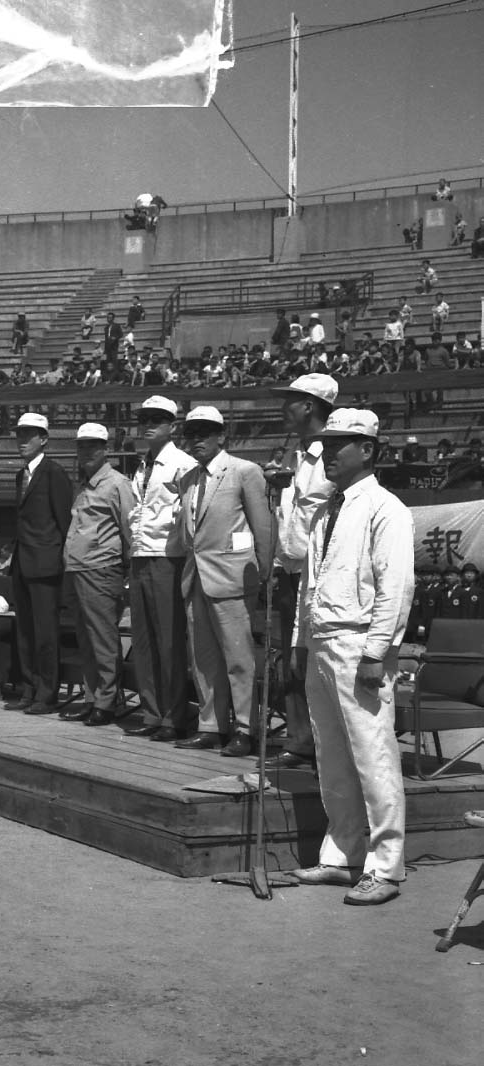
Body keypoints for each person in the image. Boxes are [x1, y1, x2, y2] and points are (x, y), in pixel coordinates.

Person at [291, 408, 415, 906]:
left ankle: (385, 867)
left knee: (373, 755)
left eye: (340, 444)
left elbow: (395, 588)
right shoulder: (325, 509)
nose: (328, 455)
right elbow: (308, 584)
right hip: (323, 641)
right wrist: (302, 643)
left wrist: (376, 652)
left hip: (359, 642)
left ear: (366, 449)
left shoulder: (386, 508)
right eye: (325, 444)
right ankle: (341, 854)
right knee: (332, 754)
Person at [174, 406, 272, 756]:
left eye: (205, 432)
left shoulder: (245, 471)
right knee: (203, 658)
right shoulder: (187, 479)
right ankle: (211, 725)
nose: (197, 439)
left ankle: (247, 728)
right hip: (196, 576)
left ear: (221, 436)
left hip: (232, 576)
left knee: (238, 657)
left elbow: (261, 525)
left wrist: (264, 568)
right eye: (192, 432)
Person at [266, 374, 339, 770]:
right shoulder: (297, 454)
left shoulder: (331, 454)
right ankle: (300, 741)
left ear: (310, 405)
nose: (284, 408)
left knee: (316, 660)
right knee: (291, 661)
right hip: (291, 569)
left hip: (319, 575)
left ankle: (323, 742)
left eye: (291, 400)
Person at [122, 396, 198, 741]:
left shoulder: (181, 463)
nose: (148, 424)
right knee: (144, 639)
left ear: (172, 426)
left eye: (157, 419)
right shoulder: (142, 465)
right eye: (144, 418)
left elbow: (186, 510)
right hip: (140, 555)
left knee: (169, 640)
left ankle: (174, 715)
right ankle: (152, 711)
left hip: (167, 555)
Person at [61, 422, 136, 725]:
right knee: (86, 638)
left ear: (105, 449)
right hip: (78, 569)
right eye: (82, 446)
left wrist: (129, 570)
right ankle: (93, 697)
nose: (86, 451)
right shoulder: (84, 483)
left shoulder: (117, 483)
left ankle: (106, 702)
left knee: (103, 638)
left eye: (93, 446)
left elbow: (130, 528)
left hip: (102, 569)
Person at [6, 413, 72, 716]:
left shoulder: (53, 473)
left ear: (43, 439)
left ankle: (47, 694)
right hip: (23, 562)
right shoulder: (22, 475)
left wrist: (56, 559)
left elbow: (63, 521)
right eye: (19, 435)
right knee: (26, 632)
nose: (22, 441)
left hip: (45, 564)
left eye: (29, 435)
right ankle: (30, 688)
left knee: (45, 634)